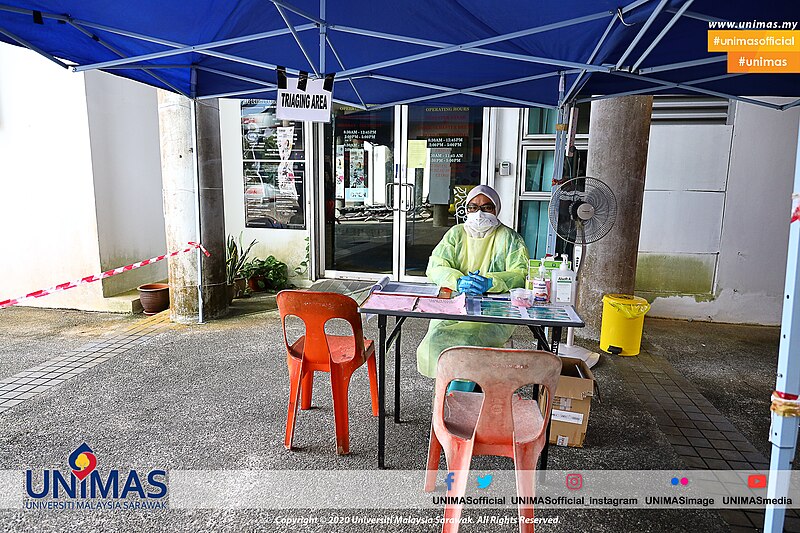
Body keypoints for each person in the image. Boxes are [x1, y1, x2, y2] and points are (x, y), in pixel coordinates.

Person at [416, 185, 530, 389]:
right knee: (435, 340)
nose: (479, 213)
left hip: (493, 314)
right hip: (454, 310)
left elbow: (520, 274)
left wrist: (491, 282)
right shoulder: (455, 234)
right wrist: (457, 281)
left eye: (487, 207)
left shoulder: (509, 238)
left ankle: (460, 401)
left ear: (496, 210)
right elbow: (436, 266)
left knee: (471, 343)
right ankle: (449, 395)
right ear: (466, 209)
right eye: (473, 207)